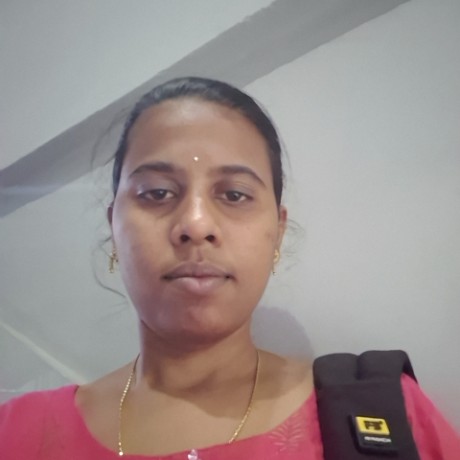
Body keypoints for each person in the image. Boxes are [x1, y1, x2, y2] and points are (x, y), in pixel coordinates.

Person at [0, 77, 458, 459]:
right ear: (113, 228)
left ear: (277, 233)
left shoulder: (384, 412)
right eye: (157, 193)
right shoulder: (16, 433)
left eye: (235, 194)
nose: (196, 225)